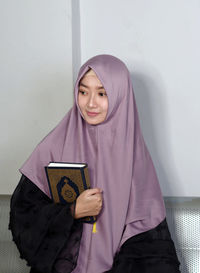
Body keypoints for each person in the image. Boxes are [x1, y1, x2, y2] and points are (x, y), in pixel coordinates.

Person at [9, 54, 181, 273]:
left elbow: (147, 240)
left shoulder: (136, 160)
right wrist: (71, 212)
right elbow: (24, 214)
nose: (90, 103)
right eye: (83, 91)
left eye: (102, 93)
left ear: (121, 96)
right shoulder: (54, 146)